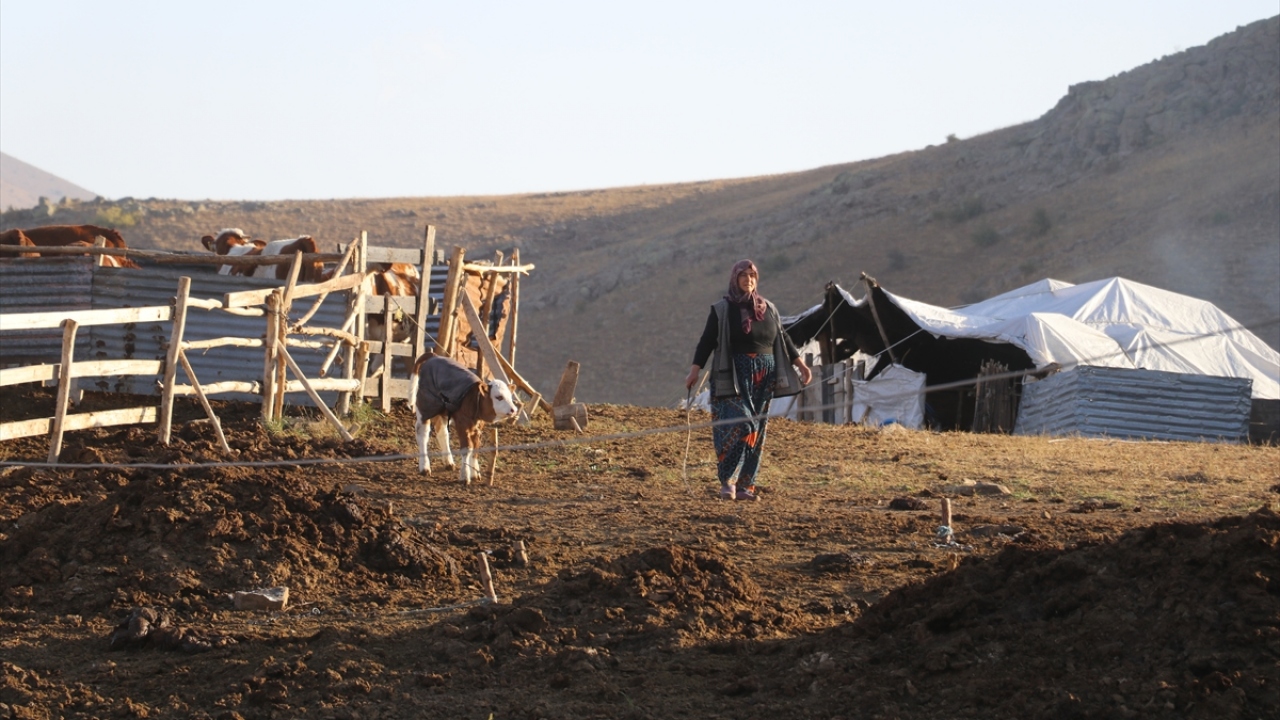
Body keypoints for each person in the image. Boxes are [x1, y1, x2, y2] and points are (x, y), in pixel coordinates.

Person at [684, 259, 812, 501]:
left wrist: (801, 365)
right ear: (735, 279)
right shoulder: (722, 309)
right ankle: (728, 480)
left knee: (758, 430)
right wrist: (695, 370)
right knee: (744, 425)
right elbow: (707, 341)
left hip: (765, 377)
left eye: (752, 275)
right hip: (732, 374)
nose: (748, 279)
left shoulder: (769, 309)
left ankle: (745, 487)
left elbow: (783, 340)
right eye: (743, 275)